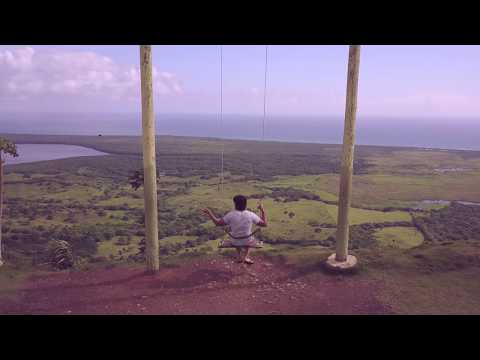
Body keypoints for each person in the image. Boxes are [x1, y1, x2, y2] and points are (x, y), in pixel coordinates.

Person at [202, 195, 267, 265]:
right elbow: (264, 224)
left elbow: (217, 223)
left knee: (235, 235)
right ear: (245, 204)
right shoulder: (251, 214)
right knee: (248, 237)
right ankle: (245, 257)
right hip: (247, 240)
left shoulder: (231, 215)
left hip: (235, 241)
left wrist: (209, 213)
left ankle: (239, 257)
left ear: (235, 204)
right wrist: (262, 211)